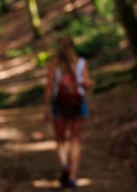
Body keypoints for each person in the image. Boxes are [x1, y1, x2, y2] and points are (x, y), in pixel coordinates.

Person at [44, 35, 94, 189]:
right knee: (75, 139)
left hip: (59, 103)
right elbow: (87, 84)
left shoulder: (54, 64)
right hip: (78, 104)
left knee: (60, 139)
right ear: (72, 46)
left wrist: (46, 107)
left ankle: (64, 163)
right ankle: (72, 176)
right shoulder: (81, 63)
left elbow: (49, 87)